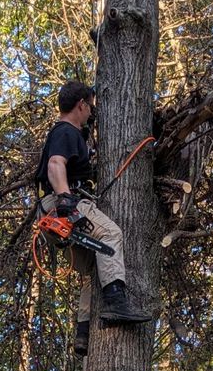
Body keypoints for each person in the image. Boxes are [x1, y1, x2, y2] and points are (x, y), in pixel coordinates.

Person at [36, 80, 151, 356]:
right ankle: (116, 302)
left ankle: (83, 331)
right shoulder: (65, 131)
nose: (92, 112)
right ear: (81, 105)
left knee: (93, 268)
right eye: (90, 107)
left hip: (52, 210)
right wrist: (65, 199)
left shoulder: (74, 135)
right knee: (111, 235)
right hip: (62, 205)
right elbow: (55, 164)